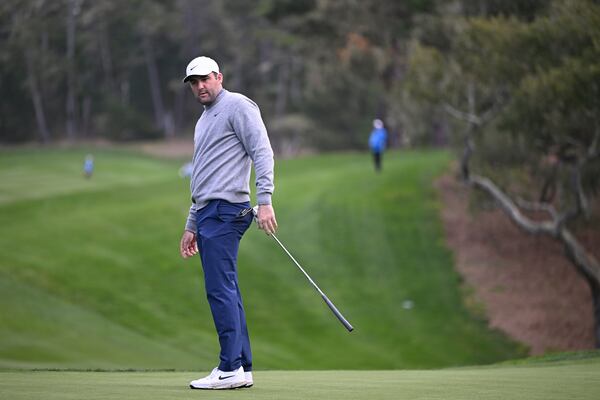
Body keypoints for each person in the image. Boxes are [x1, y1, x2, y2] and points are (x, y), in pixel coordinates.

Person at [178, 56, 277, 390]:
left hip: (226, 211)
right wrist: (192, 222)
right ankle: (242, 368)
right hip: (208, 212)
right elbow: (204, 174)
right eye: (194, 82)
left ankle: (229, 367)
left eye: (205, 79)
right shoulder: (204, 120)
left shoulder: (238, 106)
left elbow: (262, 151)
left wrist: (265, 200)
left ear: (219, 76)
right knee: (227, 290)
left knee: (219, 290)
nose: (200, 86)